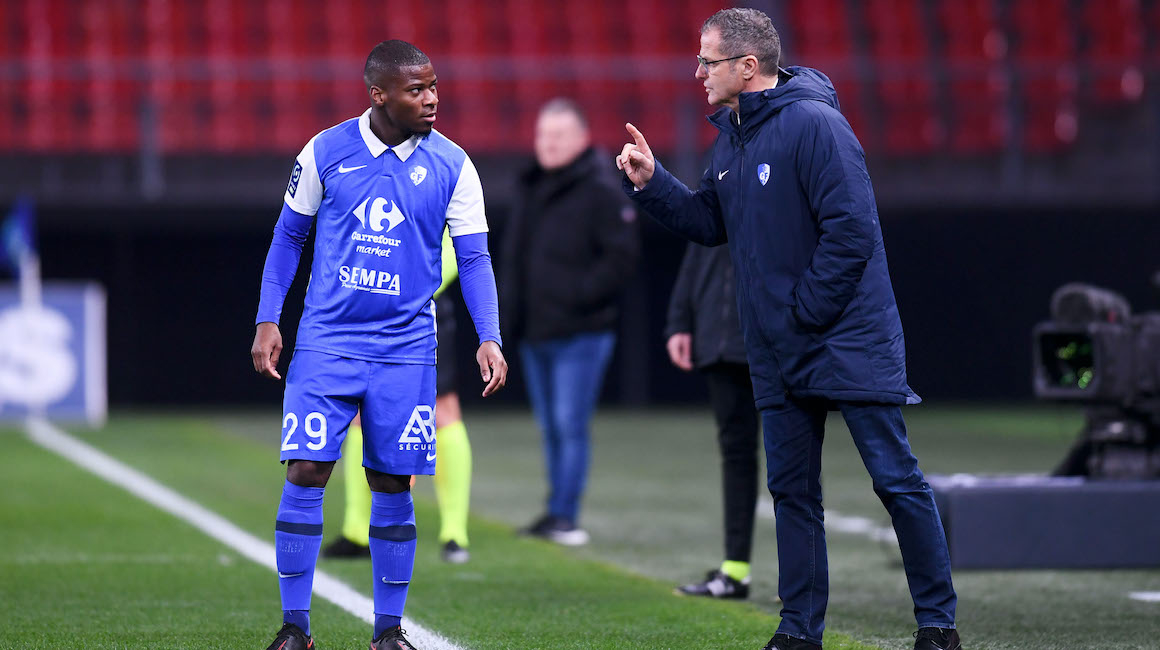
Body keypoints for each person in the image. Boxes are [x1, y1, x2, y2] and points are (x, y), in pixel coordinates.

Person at [615, 9, 960, 650]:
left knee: (895, 479)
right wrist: (653, 183)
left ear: (748, 67)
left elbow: (852, 233)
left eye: (708, 61)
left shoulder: (815, 125)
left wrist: (801, 313)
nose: (698, 72)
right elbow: (709, 223)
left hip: (845, 338)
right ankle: (799, 631)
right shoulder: (732, 137)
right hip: (777, 350)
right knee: (792, 493)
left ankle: (938, 624)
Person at [250, 40, 507, 650]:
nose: (432, 99)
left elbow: (474, 258)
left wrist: (489, 335)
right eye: (417, 90)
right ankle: (295, 627)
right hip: (327, 342)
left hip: (406, 349)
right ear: (379, 95)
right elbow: (288, 237)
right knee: (307, 469)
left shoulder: (454, 165)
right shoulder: (325, 151)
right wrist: (268, 318)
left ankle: (388, 632)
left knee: (392, 482)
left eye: (434, 86)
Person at [500, 98, 639, 545]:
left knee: (568, 423)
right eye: (544, 134)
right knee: (551, 425)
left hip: (581, 330)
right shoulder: (529, 184)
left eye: (559, 135)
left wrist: (576, 297)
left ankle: (565, 514)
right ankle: (556, 510)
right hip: (535, 328)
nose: (549, 143)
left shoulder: (600, 188)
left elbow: (620, 259)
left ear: (581, 139)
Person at [323, 230, 476, 565]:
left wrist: (409, 286)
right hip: (365, 308)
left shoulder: (442, 190)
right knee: (361, 410)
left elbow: (458, 242)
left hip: (420, 307)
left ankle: (454, 533)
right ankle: (357, 530)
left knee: (441, 409)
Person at [665, 243, 761, 600]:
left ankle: (803, 579)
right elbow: (697, 250)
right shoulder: (717, 201)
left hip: (775, 339)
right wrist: (679, 321)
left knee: (795, 458)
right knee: (736, 455)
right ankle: (735, 571)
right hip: (720, 342)